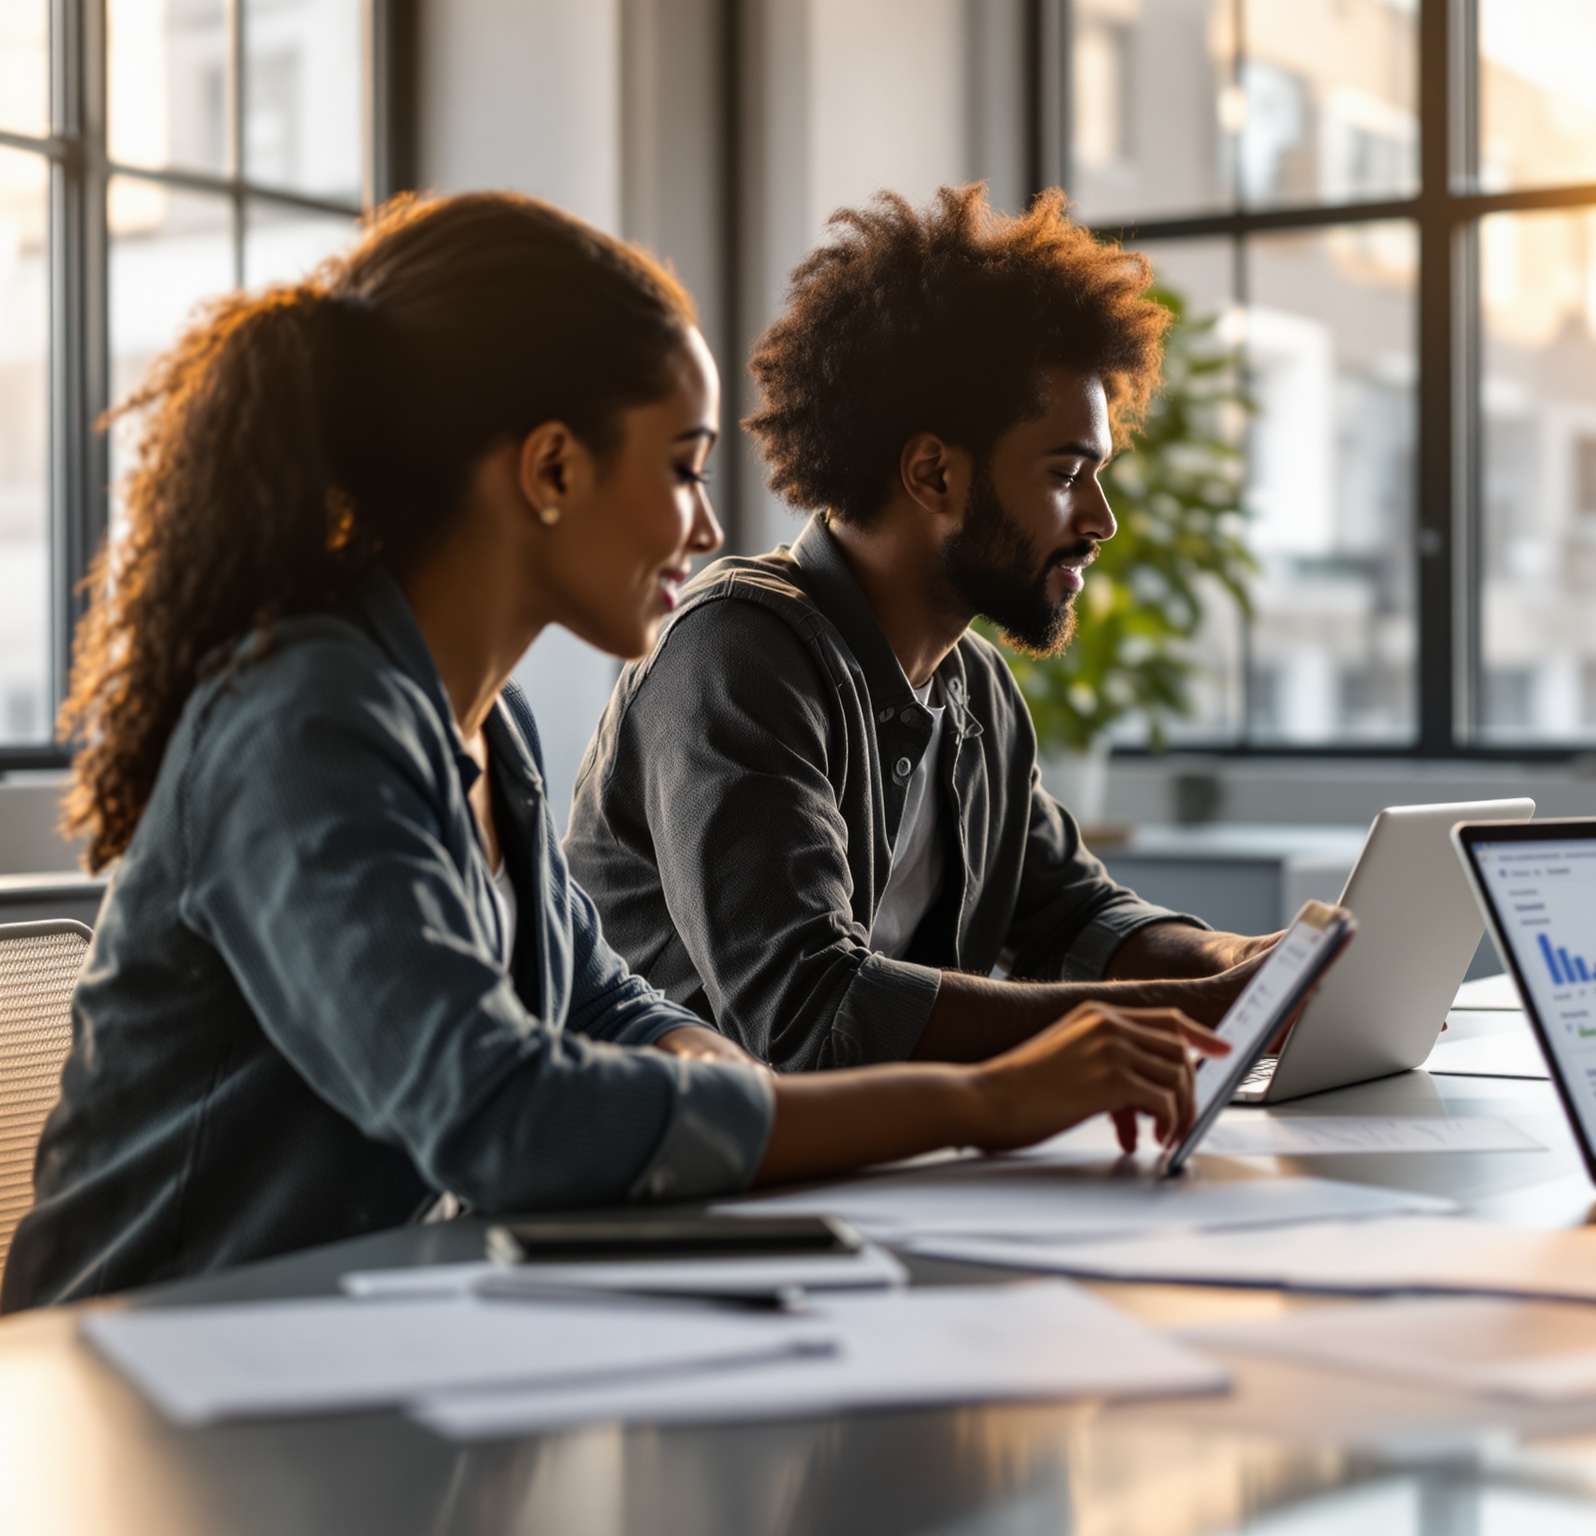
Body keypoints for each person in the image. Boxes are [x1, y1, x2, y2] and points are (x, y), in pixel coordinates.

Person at [0, 192, 1228, 1312]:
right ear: (551, 468)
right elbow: (500, 1111)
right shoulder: (306, 722)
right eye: (684, 470)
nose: (706, 525)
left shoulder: (489, 726)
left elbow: (600, 1003)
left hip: (372, 1339)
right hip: (153, 1375)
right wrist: (980, 1103)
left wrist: (724, 1083)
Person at [563, 185, 1271, 1075]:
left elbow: (1072, 917)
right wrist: (1184, 1012)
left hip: (887, 1177)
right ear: (934, 473)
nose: (1100, 518)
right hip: (693, 1194)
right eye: (1066, 473)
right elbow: (811, 1018)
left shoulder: (975, 690)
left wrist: (1238, 966)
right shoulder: (738, 654)